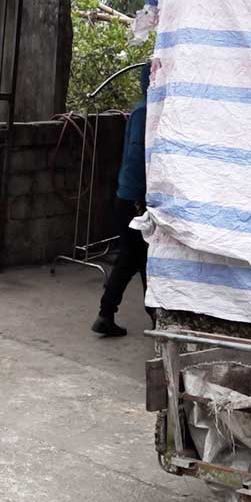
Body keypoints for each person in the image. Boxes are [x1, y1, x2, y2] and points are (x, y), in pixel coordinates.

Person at [92, 64, 151, 337]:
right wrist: (141, 198)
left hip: (128, 196)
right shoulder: (145, 113)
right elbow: (139, 160)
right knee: (143, 260)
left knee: (132, 259)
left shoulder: (143, 109)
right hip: (134, 200)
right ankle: (158, 318)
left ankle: (106, 314)